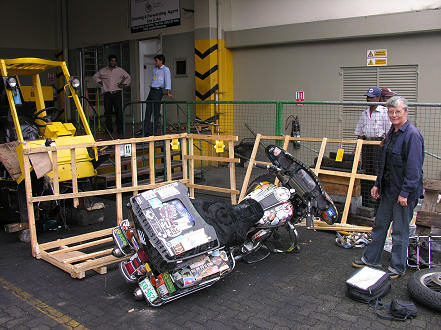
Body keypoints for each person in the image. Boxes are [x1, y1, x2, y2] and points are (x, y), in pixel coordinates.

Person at [353, 96, 424, 279]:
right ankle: (372, 259)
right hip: (388, 190)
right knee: (380, 225)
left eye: (398, 111)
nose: (394, 115)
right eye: (391, 112)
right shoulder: (392, 132)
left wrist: (405, 193)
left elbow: (414, 169)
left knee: (400, 231)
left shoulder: (412, 136)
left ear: (406, 112)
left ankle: (397, 267)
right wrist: (377, 184)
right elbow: (384, 164)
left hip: (403, 193)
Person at [93, 55, 131, 136]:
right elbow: (95, 76)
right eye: (112, 61)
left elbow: (128, 77)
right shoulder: (103, 70)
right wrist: (100, 81)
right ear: (109, 61)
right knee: (108, 113)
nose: (113, 62)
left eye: (114, 61)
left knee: (119, 113)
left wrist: (123, 84)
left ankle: (120, 130)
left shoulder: (120, 70)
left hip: (117, 94)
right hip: (107, 94)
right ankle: (109, 130)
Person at [139, 54, 173, 136]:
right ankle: (145, 129)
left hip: (158, 91)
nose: (155, 63)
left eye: (156, 61)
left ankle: (153, 131)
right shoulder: (155, 69)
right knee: (148, 110)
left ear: (161, 61)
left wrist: (168, 91)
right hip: (152, 90)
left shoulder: (165, 69)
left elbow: (168, 80)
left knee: (156, 111)